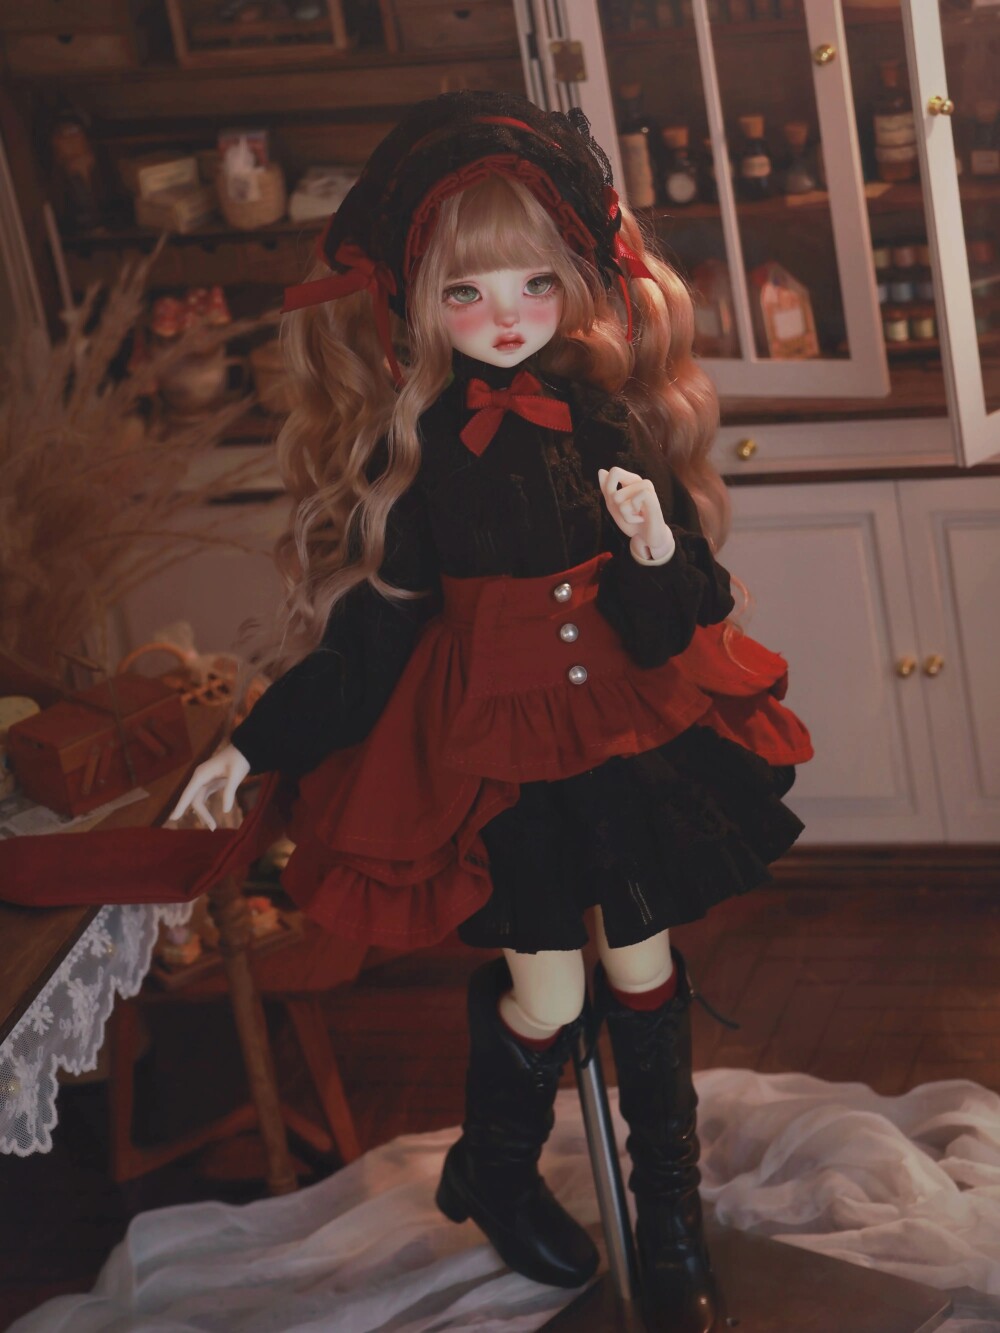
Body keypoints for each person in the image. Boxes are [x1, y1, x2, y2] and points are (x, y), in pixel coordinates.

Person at [171, 92, 813, 1333]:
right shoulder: (416, 455)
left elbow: (674, 617)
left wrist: (648, 542)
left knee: (644, 967)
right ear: (419, 304)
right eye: (466, 292)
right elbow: (370, 641)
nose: (506, 315)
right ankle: (497, 1166)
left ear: (576, 282)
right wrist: (251, 742)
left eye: (532, 282)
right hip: (495, 751)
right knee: (553, 996)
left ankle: (668, 1216)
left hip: (621, 730)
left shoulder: (608, 420)